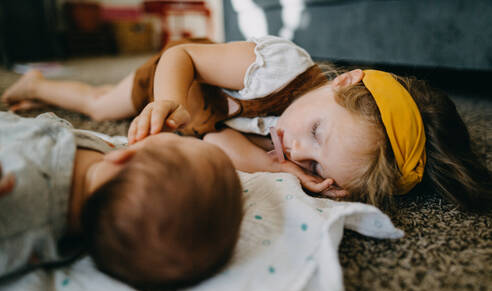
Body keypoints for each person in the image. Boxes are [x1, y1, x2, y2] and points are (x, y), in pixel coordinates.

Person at [2, 36, 491, 211]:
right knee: (103, 102)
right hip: (182, 79)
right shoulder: (278, 67)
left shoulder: (288, 149)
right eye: (317, 133)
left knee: (121, 112)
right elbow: (183, 55)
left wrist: (274, 169)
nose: (297, 149)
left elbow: (220, 141)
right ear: (345, 82)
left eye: (315, 162)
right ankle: (34, 86)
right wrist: (167, 101)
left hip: (199, 123)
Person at [0, 111, 243, 291]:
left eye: (179, 138)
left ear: (124, 156)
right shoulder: (102, 184)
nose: (181, 134)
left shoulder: (20, 208)